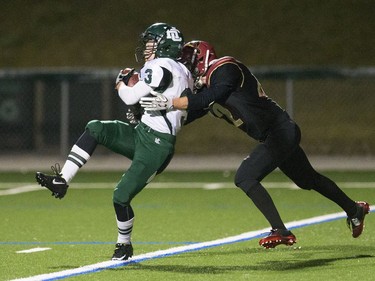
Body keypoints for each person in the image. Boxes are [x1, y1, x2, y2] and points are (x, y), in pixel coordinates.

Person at [140, 40, 370, 249]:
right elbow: (190, 113)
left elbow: (212, 94)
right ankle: (355, 210)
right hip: (275, 134)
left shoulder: (224, 68)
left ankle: (280, 230)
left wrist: (172, 101)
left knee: (245, 177)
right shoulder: (207, 88)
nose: (186, 70)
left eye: (188, 64)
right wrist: (152, 117)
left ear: (201, 59)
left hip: (280, 131)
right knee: (308, 179)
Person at [35, 23, 192, 260]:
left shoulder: (161, 66)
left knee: (121, 196)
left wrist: (120, 82)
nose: (147, 47)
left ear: (164, 46)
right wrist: (142, 112)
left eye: (151, 43)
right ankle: (62, 180)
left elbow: (129, 96)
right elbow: (168, 102)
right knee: (96, 128)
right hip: (144, 133)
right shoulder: (182, 70)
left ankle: (124, 245)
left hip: (156, 147)